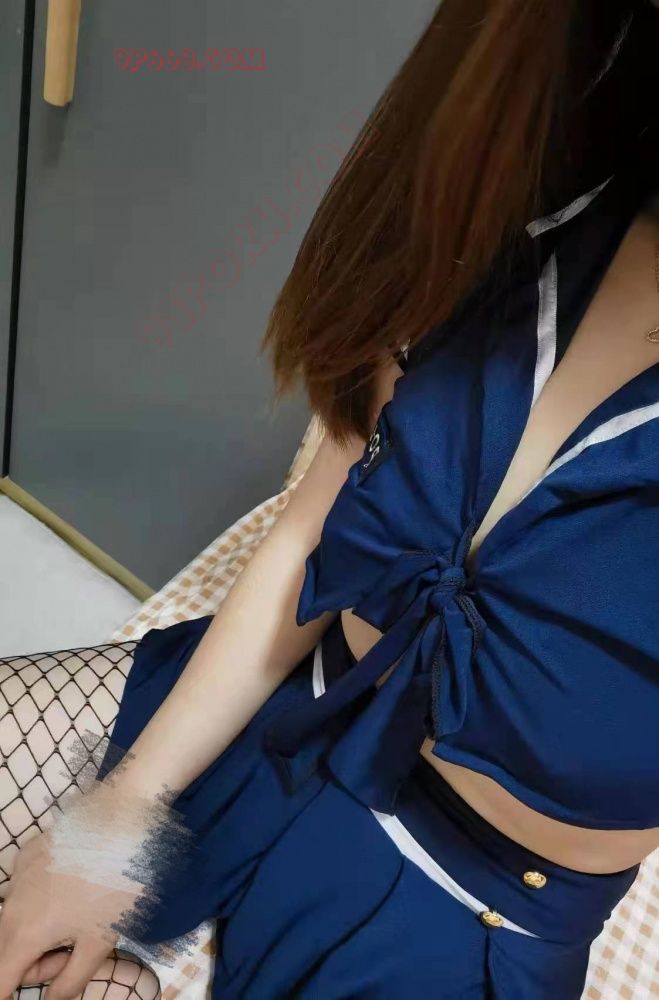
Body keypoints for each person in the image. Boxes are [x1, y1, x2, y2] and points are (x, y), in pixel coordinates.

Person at [1, 1, 659, 996]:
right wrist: (115, 817)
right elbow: (311, 524)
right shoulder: (523, 200)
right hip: (286, 714)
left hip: (472, 905)